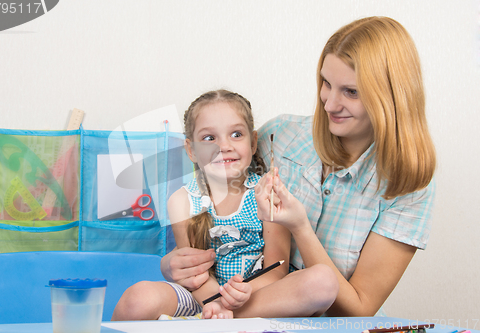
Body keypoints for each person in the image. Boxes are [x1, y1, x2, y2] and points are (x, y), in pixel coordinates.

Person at [160, 16, 436, 317]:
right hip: (235, 301)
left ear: (390, 97)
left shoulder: (409, 184)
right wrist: (172, 262)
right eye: (326, 83)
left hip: (316, 315)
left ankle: (218, 321)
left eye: (351, 92)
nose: (330, 104)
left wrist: (300, 227)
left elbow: (358, 309)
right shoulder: (280, 137)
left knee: (319, 282)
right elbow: (209, 191)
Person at [112, 90, 338, 321]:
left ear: (252, 143)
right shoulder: (181, 200)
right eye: (209, 138)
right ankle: (214, 320)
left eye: (236, 134)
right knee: (137, 299)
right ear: (191, 149)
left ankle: (220, 322)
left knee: (322, 281)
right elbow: (195, 275)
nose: (224, 146)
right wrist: (216, 304)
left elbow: (276, 270)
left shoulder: (266, 193)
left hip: (256, 296)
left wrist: (239, 298)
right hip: (201, 298)